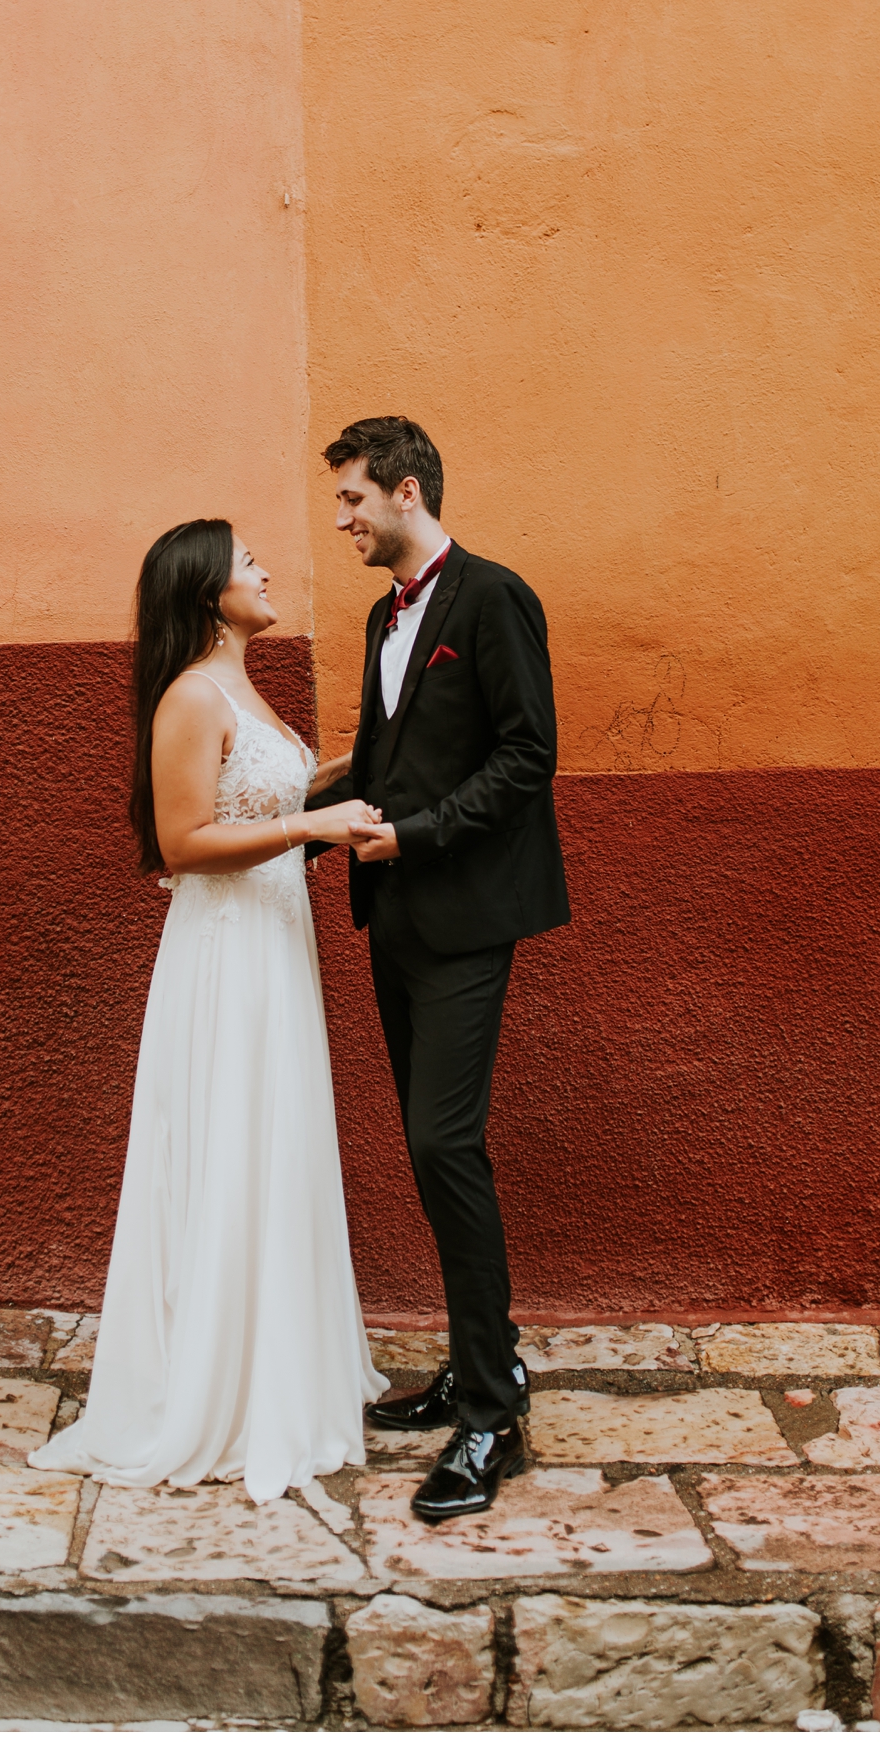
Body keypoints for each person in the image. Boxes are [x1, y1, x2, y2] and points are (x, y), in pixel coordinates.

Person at [29, 518, 387, 1502]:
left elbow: (272, 791)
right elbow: (185, 839)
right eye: (249, 562)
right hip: (226, 951)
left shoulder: (241, 688)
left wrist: (361, 767)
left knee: (275, 1141)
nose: (267, 571)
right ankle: (213, 1387)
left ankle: (276, 1363)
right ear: (206, 589)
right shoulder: (189, 695)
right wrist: (315, 819)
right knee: (233, 1138)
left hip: (273, 941)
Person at [318, 416, 570, 1522]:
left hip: (467, 913)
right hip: (398, 915)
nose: (343, 521)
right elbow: (387, 749)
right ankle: (477, 1365)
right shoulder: (385, 613)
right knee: (429, 1142)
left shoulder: (494, 596)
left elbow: (528, 754)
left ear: (405, 489)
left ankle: (493, 1413)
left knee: (442, 1137)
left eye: (354, 501)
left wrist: (416, 835)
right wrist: (284, 802)